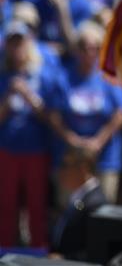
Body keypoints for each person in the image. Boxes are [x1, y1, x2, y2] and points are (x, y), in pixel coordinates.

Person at [48, 21, 122, 204]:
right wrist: (71, 139)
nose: (89, 53)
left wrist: (98, 141)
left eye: (95, 48)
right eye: (85, 47)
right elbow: (53, 114)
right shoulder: (63, 77)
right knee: (73, 210)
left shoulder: (109, 77)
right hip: (71, 157)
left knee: (103, 212)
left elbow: (121, 113)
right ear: (77, 49)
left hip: (105, 156)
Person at [0, 20, 59, 249]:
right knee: (6, 204)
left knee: (36, 204)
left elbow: (51, 118)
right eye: (12, 44)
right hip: (8, 150)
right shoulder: (4, 77)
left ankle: (38, 250)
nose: (17, 49)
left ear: (28, 44)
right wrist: (7, 97)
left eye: (20, 43)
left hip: (36, 150)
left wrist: (29, 96)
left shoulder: (43, 75)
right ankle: (4, 248)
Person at [49, 146, 107, 261]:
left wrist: (64, 258)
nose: (61, 171)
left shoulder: (95, 204)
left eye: (65, 166)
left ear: (83, 168)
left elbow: (96, 250)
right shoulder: (79, 196)